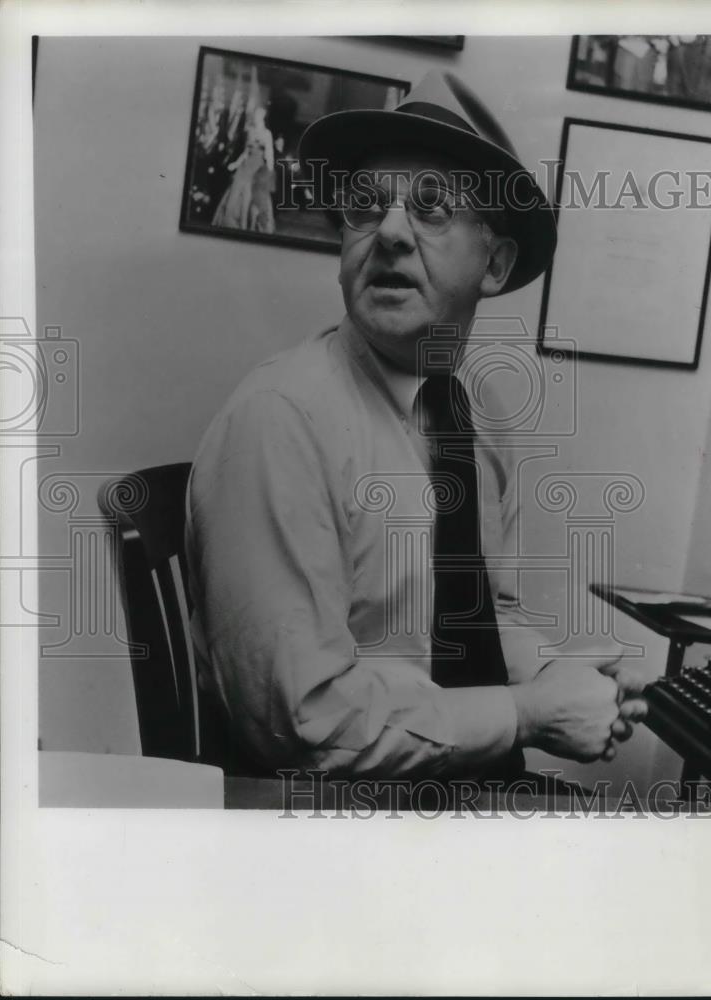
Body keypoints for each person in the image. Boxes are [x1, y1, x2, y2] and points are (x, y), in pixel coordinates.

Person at [186, 71, 647, 784]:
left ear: (493, 264)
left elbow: (481, 616)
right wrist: (527, 714)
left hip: (452, 793)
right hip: (335, 826)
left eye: (430, 209)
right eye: (366, 208)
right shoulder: (279, 421)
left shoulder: (477, 412)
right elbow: (302, 725)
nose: (390, 233)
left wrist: (562, 675)